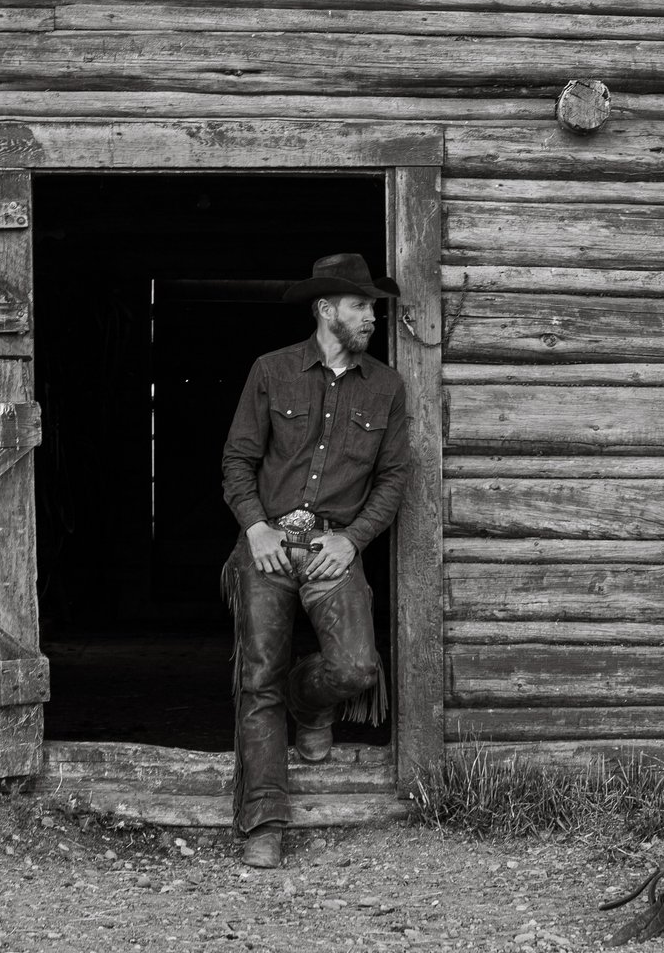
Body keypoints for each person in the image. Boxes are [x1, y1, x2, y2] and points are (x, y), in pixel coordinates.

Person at [218, 253, 412, 869]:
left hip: (334, 547)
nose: (371, 317)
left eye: (373, 308)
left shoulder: (385, 386)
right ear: (326, 309)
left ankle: (312, 703)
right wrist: (254, 529)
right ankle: (265, 822)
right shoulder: (272, 371)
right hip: (267, 544)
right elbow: (236, 462)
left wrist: (352, 539)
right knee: (258, 679)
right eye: (361, 306)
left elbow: (394, 477)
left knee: (356, 668)